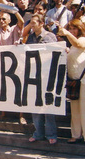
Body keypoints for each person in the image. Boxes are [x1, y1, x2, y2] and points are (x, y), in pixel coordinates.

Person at [26, 14, 58, 145]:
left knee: (48, 107)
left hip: (47, 75)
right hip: (34, 76)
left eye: (34, 23)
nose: (32, 25)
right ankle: (38, 133)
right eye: (31, 23)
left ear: (41, 24)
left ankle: (51, 134)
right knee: (36, 106)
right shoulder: (30, 37)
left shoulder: (50, 37)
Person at [57, 19, 85, 144]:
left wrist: (67, 33)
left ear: (80, 29)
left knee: (84, 109)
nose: (73, 31)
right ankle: (76, 134)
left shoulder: (82, 39)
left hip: (83, 80)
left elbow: (79, 45)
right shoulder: (72, 45)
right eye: (71, 28)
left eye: (75, 28)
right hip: (74, 80)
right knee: (75, 110)